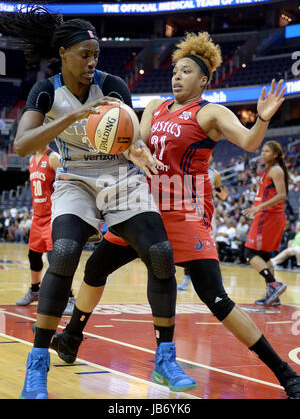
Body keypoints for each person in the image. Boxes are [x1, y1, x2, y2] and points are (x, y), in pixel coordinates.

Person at [50, 32, 300, 399]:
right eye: (174, 71)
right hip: (141, 210)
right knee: (95, 269)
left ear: (204, 80)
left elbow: (248, 142)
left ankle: (285, 373)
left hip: (183, 212)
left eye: (186, 71)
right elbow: (136, 144)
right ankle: (72, 337)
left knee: (215, 297)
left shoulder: (210, 112)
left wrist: (261, 120)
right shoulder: (154, 107)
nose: (177, 77)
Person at [3, 4, 195, 399]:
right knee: (66, 251)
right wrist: (75, 118)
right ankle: (37, 364)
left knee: (160, 252)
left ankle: (165, 357)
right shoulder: (46, 91)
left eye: (96, 55)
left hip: (119, 176)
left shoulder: (113, 85)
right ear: (63, 54)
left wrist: (139, 150)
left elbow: (131, 139)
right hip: (75, 178)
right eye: (84, 55)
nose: (92, 62)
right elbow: (22, 145)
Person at [15, 145, 76, 315]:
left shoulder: (53, 157)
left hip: (51, 216)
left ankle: (69, 297)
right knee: (33, 257)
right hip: (37, 216)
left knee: (56, 259)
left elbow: (68, 181)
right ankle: (35, 291)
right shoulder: (31, 159)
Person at [244, 141, 289, 306]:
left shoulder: (276, 170)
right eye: (262, 151)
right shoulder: (268, 170)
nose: (263, 153)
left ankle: (273, 284)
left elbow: (282, 195)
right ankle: (274, 295)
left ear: (275, 154)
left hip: (269, 216)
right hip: (268, 216)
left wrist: (259, 207)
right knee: (263, 255)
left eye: (267, 151)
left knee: (249, 253)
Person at [178, 151, 228, 290]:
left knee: (212, 244)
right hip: (192, 210)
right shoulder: (190, 169)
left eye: (211, 154)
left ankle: (216, 276)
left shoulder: (215, 174)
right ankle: (186, 279)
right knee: (190, 245)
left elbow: (220, 193)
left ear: (212, 157)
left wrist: (223, 196)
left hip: (208, 212)